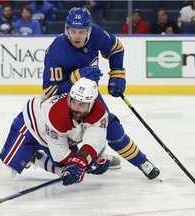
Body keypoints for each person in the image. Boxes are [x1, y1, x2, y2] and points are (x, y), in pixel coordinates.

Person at [42, 7, 160, 180]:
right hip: (66, 102)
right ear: (66, 30)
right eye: (72, 31)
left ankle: (141, 161)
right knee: (67, 142)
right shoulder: (56, 51)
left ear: (89, 30)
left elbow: (116, 48)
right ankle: (85, 158)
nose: (76, 36)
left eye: (81, 32)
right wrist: (78, 77)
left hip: (90, 98)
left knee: (111, 128)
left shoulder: (96, 34)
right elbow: (50, 91)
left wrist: (117, 73)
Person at [0, 78, 111, 186]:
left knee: (72, 175)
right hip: (30, 129)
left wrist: (85, 160)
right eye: (73, 102)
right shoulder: (57, 115)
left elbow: (95, 139)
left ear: (92, 104)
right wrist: (83, 162)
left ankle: (35, 157)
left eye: (82, 104)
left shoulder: (99, 112)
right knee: (4, 175)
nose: (76, 108)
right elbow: (59, 154)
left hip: (51, 137)